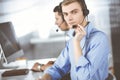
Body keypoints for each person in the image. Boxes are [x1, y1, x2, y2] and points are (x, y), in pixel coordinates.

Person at [36, 0, 110, 80]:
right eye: (66, 14)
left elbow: (84, 77)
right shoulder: (73, 38)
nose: (69, 18)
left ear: (84, 12)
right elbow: (58, 68)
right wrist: (44, 78)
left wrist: (76, 43)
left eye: (74, 12)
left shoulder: (99, 39)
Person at [32, 4, 70, 72]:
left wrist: (40, 67)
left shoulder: (76, 38)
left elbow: (64, 67)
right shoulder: (72, 36)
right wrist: (56, 62)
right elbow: (65, 62)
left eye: (57, 19)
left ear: (65, 19)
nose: (55, 23)